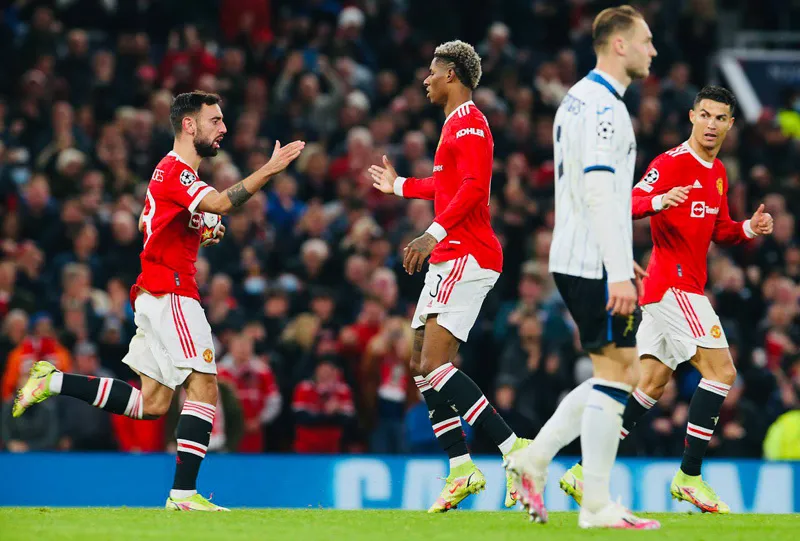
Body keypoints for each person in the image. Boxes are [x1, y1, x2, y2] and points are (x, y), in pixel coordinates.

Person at [13, 91, 305, 511]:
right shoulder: (176, 170)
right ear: (189, 124)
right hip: (172, 292)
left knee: (151, 403)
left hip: (154, 293)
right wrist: (270, 169)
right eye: (215, 120)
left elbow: (146, 222)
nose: (223, 128)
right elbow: (220, 203)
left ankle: (52, 381)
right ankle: (183, 496)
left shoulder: (170, 174)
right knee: (204, 386)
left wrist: (198, 228)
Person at [559, 86, 774, 514]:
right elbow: (626, 202)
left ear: (730, 124)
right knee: (722, 372)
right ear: (692, 116)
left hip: (672, 289)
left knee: (650, 385)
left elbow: (718, 228)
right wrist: (659, 200)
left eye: (720, 118)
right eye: (705, 115)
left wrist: (749, 228)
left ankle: (584, 472)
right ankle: (689, 476)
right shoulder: (672, 162)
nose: (711, 124)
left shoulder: (717, 172)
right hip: (674, 286)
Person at [504, 5, 660, 529]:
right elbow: (596, 189)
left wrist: (619, 255)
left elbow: (596, 195)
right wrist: (618, 269)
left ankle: (534, 460)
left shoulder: (576, 98)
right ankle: (593, 504)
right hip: (592, 264)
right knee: (620, 376)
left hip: (581, 255)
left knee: (617, 373)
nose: (653, 50)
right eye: (645, 40)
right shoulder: (604, 108)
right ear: (619, 44)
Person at [369, 40, 531, 513]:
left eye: (432, 72)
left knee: (437, 365)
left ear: (452, 76)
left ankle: (515, 450)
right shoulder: (453, 125)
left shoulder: (471, 124)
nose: (426, 80)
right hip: (451, 255)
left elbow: (475, 188)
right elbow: (446, 185)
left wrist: (432, 233)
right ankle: (461, 468)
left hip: (468, 253)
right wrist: (399, 185)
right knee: (422, 367)